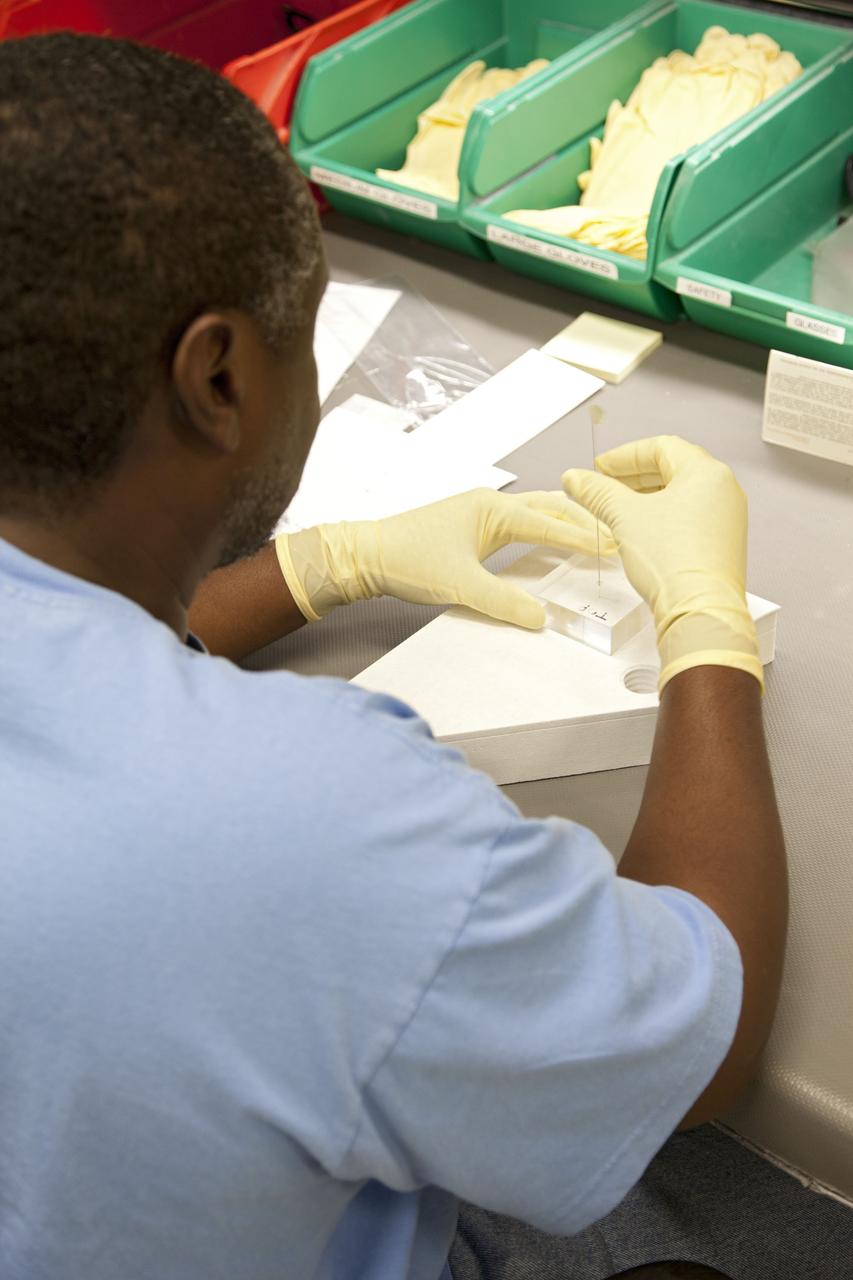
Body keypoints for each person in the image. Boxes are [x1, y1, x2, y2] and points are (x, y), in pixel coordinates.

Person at [0, 30, 815, 1280]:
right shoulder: (313, 822)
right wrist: (706, 628)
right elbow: (708, 1033)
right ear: (217, 375)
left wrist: (321, 566)